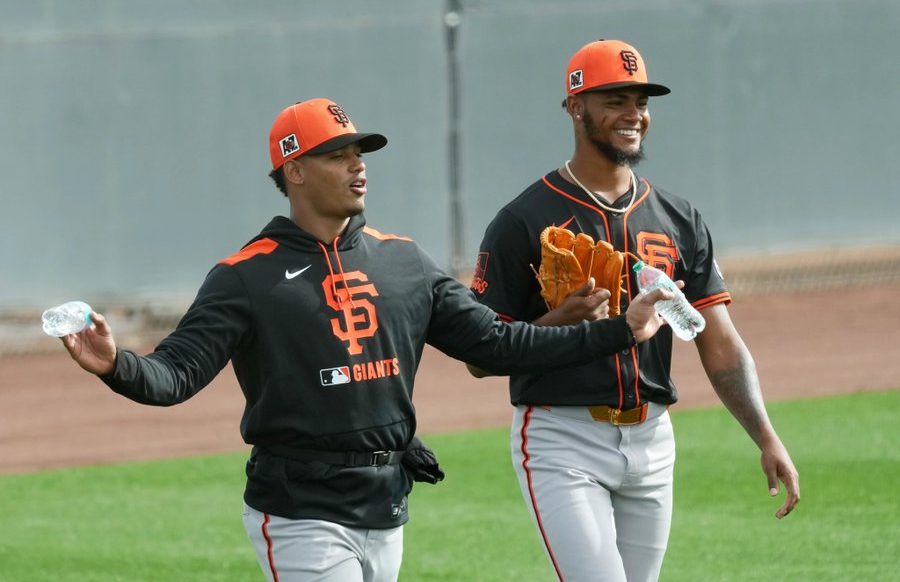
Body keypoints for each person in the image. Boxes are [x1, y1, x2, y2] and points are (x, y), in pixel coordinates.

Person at [58, 97, 676, 582]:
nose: (358, 165)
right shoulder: (246, 276)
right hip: (300, 510)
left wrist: (617, 331)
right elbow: (176, 375)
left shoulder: (404, 262)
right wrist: (116, 365)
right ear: (295, 170)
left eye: (360, 152)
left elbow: (496, 345)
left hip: (387, 504)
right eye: (337, 155)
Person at [466, 39, 800, 581]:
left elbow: (719, 341)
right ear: (576, 107)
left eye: (641, 102)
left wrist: (766, 434)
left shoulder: (678, 217)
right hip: (561, 438)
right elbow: (480, 356)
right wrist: (556, 322)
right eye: (615, 100)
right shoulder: (522, 220)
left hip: (654, 437)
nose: (633, 115)